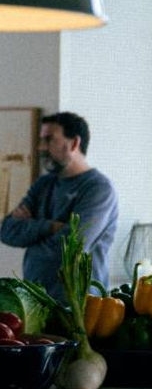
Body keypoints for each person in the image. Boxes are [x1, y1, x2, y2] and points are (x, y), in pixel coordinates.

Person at [0, 112, 119, 299]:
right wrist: (50, 226)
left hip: (80, 308)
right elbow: (7, 231)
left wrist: (31, 234)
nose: (40, 148)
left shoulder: (99, 189)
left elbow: (72, 246)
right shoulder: (43, 184)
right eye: (41, 140)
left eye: (49, 140)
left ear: (74, 144)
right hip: (35, 300)